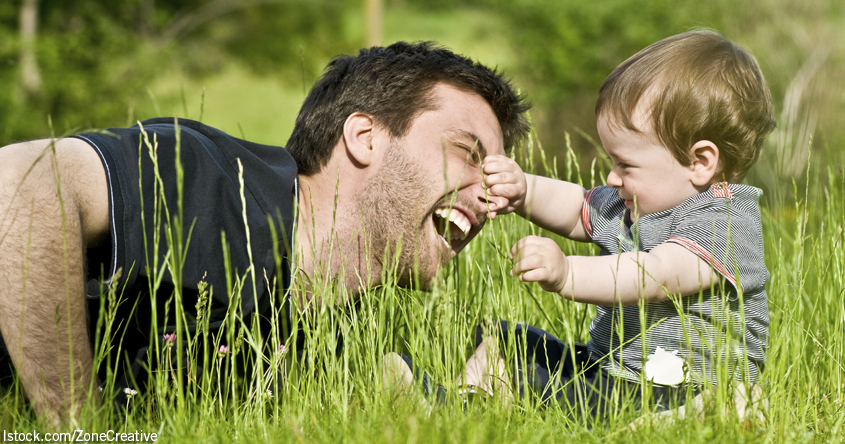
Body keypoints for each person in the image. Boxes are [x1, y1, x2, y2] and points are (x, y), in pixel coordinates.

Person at [0, 41, 530, 425]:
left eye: (498, 176)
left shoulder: (339, 336)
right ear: (365, 138)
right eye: (468, 153)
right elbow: (20, 181)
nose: (494, 195)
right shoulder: (214, 184)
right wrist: (78, 427)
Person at [455, 30, 774, 416]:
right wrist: (524, 191)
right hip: (612, 368)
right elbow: (577, 207)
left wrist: (567, 273)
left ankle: (715, 408)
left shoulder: (725, 221)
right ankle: (471, 395)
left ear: (700, 162)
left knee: (554, 390)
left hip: (675, 386)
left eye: (625, 164)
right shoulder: (640, 202)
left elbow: (656, 275)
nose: (612, 177)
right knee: (506, 337)